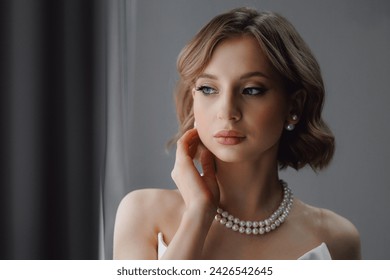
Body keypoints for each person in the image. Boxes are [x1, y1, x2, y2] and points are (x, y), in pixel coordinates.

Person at [113, 7, 361, 260]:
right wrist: (199, 213)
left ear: (293, 107)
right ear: (193, 100)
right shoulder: (142, 212)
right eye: (208, 89)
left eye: (252, 90)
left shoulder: (337, 239)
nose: (227, 112)